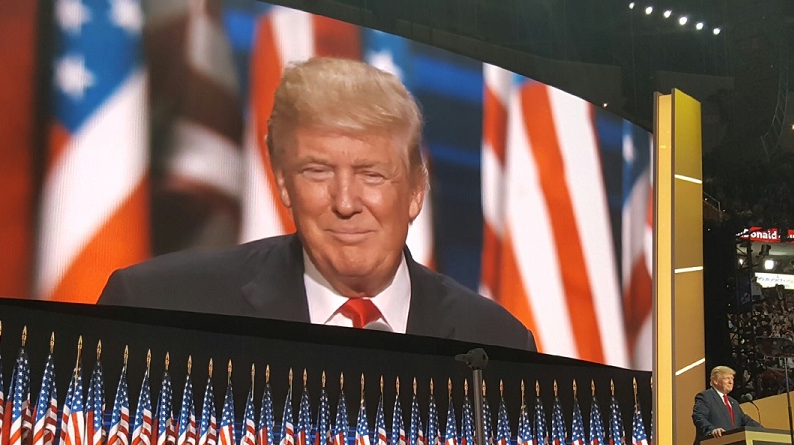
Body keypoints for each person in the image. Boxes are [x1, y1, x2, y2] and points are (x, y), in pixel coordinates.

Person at [99, 57, 536, 351]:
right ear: (285, 184)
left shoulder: (497, 343)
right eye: (317, 172)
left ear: (417, 191)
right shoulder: (160, 310)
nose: (345, 203)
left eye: (371, 174)